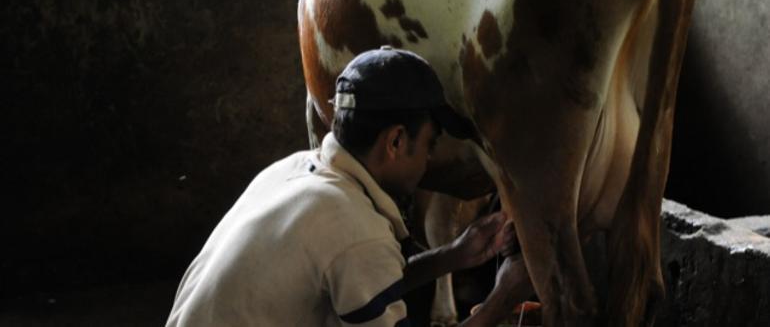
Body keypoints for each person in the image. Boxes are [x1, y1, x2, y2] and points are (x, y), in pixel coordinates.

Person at [166, 46, 533, 327]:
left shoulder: (293, 170)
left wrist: (455, 254)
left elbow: (367, 276)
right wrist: (499, 300)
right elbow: (361, 255)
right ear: (395, 142)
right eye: (430, 145)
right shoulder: (355, 227)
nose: (429, 161)